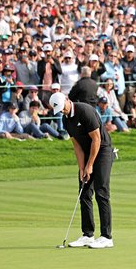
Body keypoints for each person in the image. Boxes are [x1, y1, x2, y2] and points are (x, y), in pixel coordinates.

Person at [49, 93, 115, 249]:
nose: (61, 111)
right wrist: (81, 168)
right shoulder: (66, 119)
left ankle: (106, 237)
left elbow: (97, 139)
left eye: (62, 107)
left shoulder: (85, 111)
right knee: (84, 192)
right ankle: (88, 235)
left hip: (103, 151)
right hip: (86, 153)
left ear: (67, 100)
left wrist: (90, 164)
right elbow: (77, 146)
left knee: (101, 192)